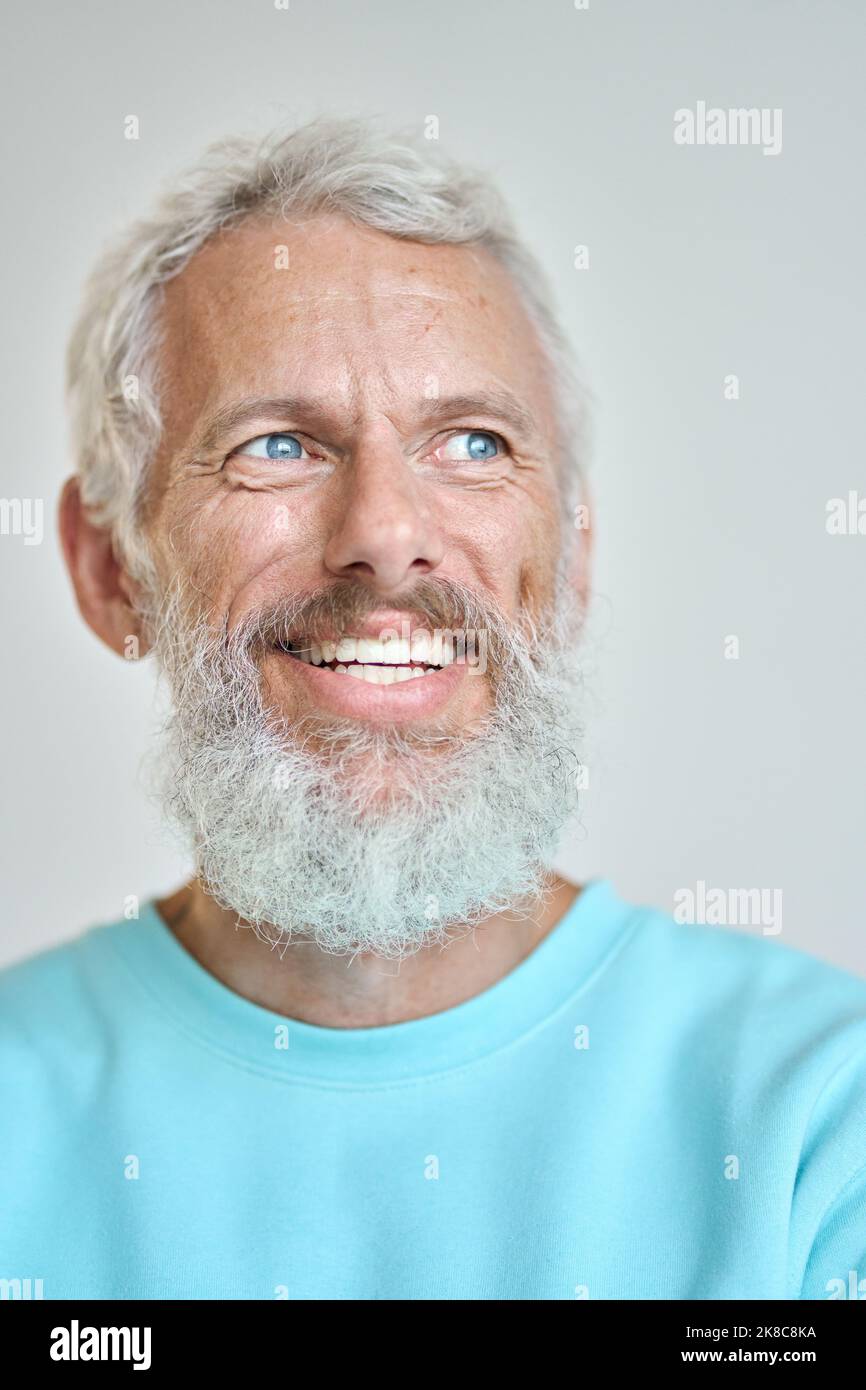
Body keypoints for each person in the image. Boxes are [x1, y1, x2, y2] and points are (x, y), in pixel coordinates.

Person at [1, 118, 864, 1301]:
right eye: (278, 445)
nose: (385, 539)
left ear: (567, 561)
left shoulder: (822, 1115)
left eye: (472, 442)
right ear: (108, 571)